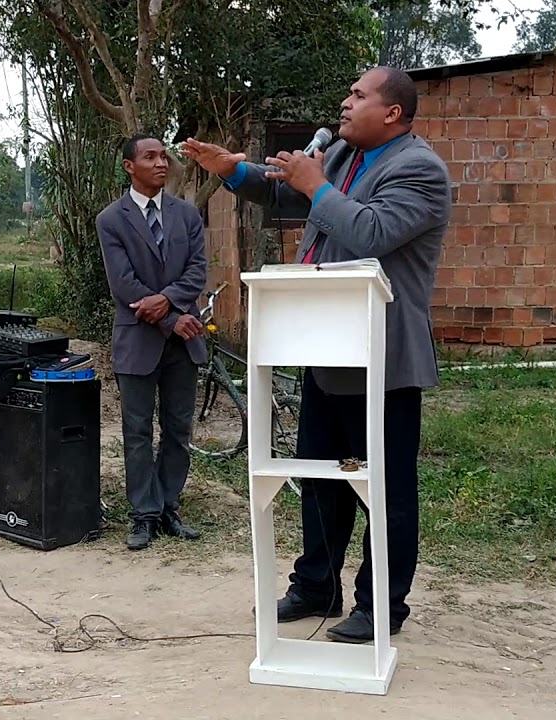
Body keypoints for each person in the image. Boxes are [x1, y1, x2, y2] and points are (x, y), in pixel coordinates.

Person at [182, 65, 451, 643]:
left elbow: (372, 232)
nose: (345, 103)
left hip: (382, 359)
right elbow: (284, 190)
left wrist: (315, 186)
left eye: (358, 95)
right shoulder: (343, 157)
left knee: (385, 488)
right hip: (324, 347)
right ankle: (316, 585)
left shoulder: (420, 170)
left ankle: (381, 605)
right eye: (348, 92)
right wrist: (234, 171)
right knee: (320, 476)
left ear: (393, 113)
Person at [96, 133, 209, 551]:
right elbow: (123, 285)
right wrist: (172, 319)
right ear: (130, 166)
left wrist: (171, 309)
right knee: (137, 431)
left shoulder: (187, 215)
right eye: (150, 157)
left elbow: (198, 272)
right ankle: (143, 514)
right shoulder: (111, 219)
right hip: (138, 341)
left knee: (178, 429)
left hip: (185, 342)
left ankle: (168, 508)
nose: (161, 163)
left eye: (164, 156)